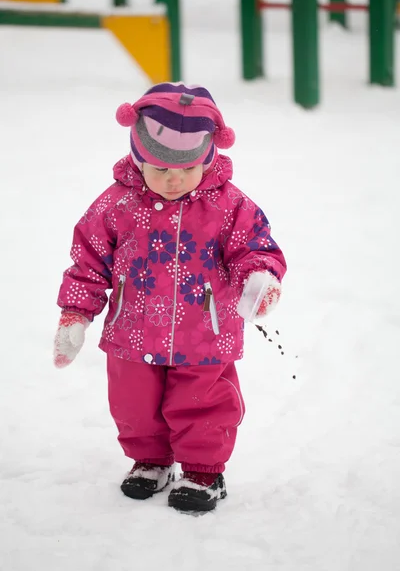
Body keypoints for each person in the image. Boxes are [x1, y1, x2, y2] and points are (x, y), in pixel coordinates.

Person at [54, 82, 287, 514]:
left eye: (184, 169)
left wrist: (259, 278)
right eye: (159, 169)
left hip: (205, 331)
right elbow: (88, 261)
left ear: (208, 158)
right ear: (138, 159)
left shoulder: (228, 206)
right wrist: (75, 313)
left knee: (202, 402)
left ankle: (202, 470)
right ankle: (150, 460)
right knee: (133, 403)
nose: (173, 179)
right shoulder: (116, 205)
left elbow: (255, 247)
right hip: (132, 331)